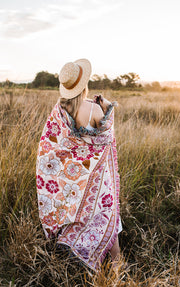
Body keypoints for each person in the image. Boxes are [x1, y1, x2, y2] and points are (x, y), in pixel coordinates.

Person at [36, 58, 122, 271]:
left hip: (75, 179)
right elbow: (106, 138)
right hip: (96, 175)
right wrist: (109, 109)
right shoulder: (94, 110)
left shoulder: (59, 111)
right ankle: (116, 261)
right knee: (106, 211)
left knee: (79, 211)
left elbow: (52, 146)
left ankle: (73, 245)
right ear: (84, 84)